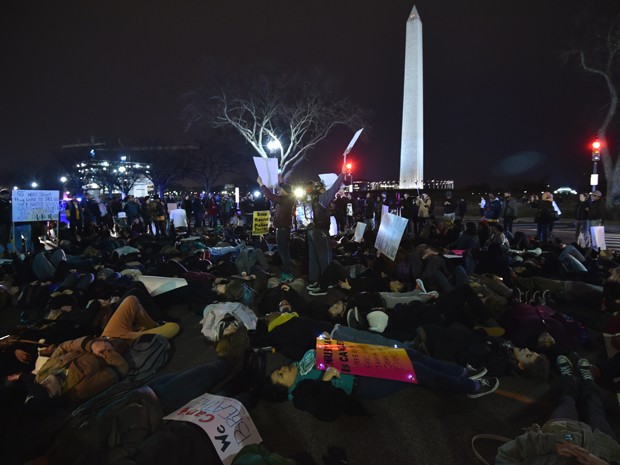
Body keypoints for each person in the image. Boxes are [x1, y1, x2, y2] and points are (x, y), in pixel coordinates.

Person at [266, 345, 499, 421]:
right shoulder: (300, 395)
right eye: (279, 376)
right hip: (362, 381)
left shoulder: (298, 362)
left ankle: (462, 373)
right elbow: (327, 413)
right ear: (285, 389)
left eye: (276, 369)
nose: (280, 369)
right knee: (415, 370)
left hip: (363, 359)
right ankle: (470, 387)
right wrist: (326, 381)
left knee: (411, 354)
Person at [496, 355, 620, 464]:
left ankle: (568, 378)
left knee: (567, 401)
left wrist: (551, 445)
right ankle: (588, 380)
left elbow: (505, 456)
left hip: (561, 438)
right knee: (594, 408)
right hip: (605, 451)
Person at [306, 164, 346, 291]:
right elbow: (334, 188)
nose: (326, 190)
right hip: (321, 232)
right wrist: (342, 174)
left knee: (313, 258)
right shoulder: (322, 199)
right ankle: (326, 283)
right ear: (321, 190)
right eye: (324, 188)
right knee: (325, 257)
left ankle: (315, 281)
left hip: (310, 231)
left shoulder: (310, 200)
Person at [258, 176, 297, 283]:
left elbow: (270, 196)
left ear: (285, 191)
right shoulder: (289, 198)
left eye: (281, 189)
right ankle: (287, 272)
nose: (279, 191)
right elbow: (284, 189)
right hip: (285, 228)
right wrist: (281, 183)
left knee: (283, 252)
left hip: (282, 229)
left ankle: (288, 274)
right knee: (285, 251)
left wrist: (261, 184)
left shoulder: (285, 199)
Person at [0, 188, 12, 253]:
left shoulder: (8, 203)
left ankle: (4, 251)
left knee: (6, 238)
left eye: (8, 195)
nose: (7, 196)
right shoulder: (2, 203)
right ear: (1, 195)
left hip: (7, 224)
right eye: (6, 195)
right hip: (1, 224)